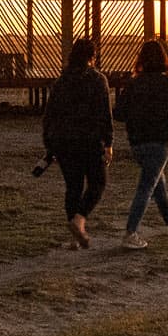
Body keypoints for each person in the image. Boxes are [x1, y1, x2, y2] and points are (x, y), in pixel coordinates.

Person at [113, 39, 168, 249]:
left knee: (157, 182)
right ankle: (131, 232)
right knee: (147, 186)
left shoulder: (133, 84)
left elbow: (119, 113)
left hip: (137, 142)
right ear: (163, 59)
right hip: (160, 142)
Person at [41, 38, 112, 248]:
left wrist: (49, 144)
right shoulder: (98, 80)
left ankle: (74, 237)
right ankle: (80, 220)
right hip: (89, 139)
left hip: (63, 141)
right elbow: (104, 114)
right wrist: (108, 143)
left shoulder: (61, 81)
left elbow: (49, 114)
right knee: (98, 182)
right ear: (92, 57)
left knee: (73, 186)